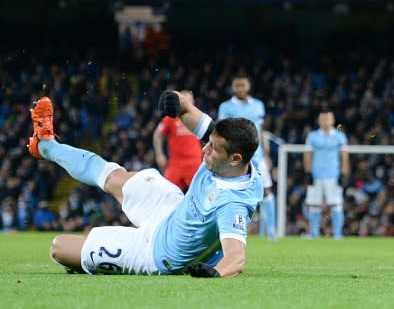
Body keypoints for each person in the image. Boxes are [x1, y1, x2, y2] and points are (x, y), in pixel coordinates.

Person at [27, 92, 262, 277]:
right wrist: (175, 101)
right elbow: (187, 108)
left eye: (213, 149)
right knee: (113, 176)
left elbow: (236, 257)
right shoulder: (231, 147)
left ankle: (93, 262)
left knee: (59, 247)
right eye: (208, 142)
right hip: (171, 210)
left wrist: (216, 273)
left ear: (235, 159)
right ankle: (45, 144)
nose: (204, 149)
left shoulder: (233, 203)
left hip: (154, 253)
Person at [218, 75, 275, 241]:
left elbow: (261, 131)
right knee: (233, 191)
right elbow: (222, 131)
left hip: (257, 155)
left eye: (243, 85)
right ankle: (231, 230)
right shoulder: (226, 107)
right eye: (237, 86)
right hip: (236, 157)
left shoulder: (258, 105)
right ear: (233, 88)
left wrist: (266, 154)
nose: (240, 88)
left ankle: (270, 232)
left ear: (248, 86)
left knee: (266, 190)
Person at [303, 109, 349, 239]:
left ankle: (338, 234)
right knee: (314, 204)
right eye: (323, 119)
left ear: (333, 120)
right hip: (316, 175)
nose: (325, 121)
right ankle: (314, 233)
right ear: (318, 121)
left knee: (336, 204)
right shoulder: (312, 136)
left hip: (333, 175)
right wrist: (308, 173)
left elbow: (344, 157)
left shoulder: (340, 136)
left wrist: (344, 174)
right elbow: (307, 155)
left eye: (328, 119)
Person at [153, 91, 203, 193]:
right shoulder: (170, 117)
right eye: (184, 100)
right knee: (166, 193)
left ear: (193, 102)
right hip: (176, 164)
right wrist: (159, 155)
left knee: (200, 194)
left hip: (195, 162)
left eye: (189, 100)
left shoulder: (199, 116)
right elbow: (158, 134)